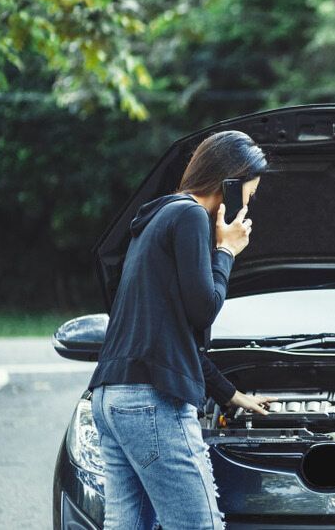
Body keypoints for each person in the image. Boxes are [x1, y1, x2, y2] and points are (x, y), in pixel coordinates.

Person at [87, 130, 278, 529]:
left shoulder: (158, 218)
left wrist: (231, 395)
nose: (247, 204)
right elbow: (202, 310)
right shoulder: (189, 215)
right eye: (248, 193)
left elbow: (172, 338)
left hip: (112, 397)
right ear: (230, 182)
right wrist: (226, 251)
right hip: (150, 402)